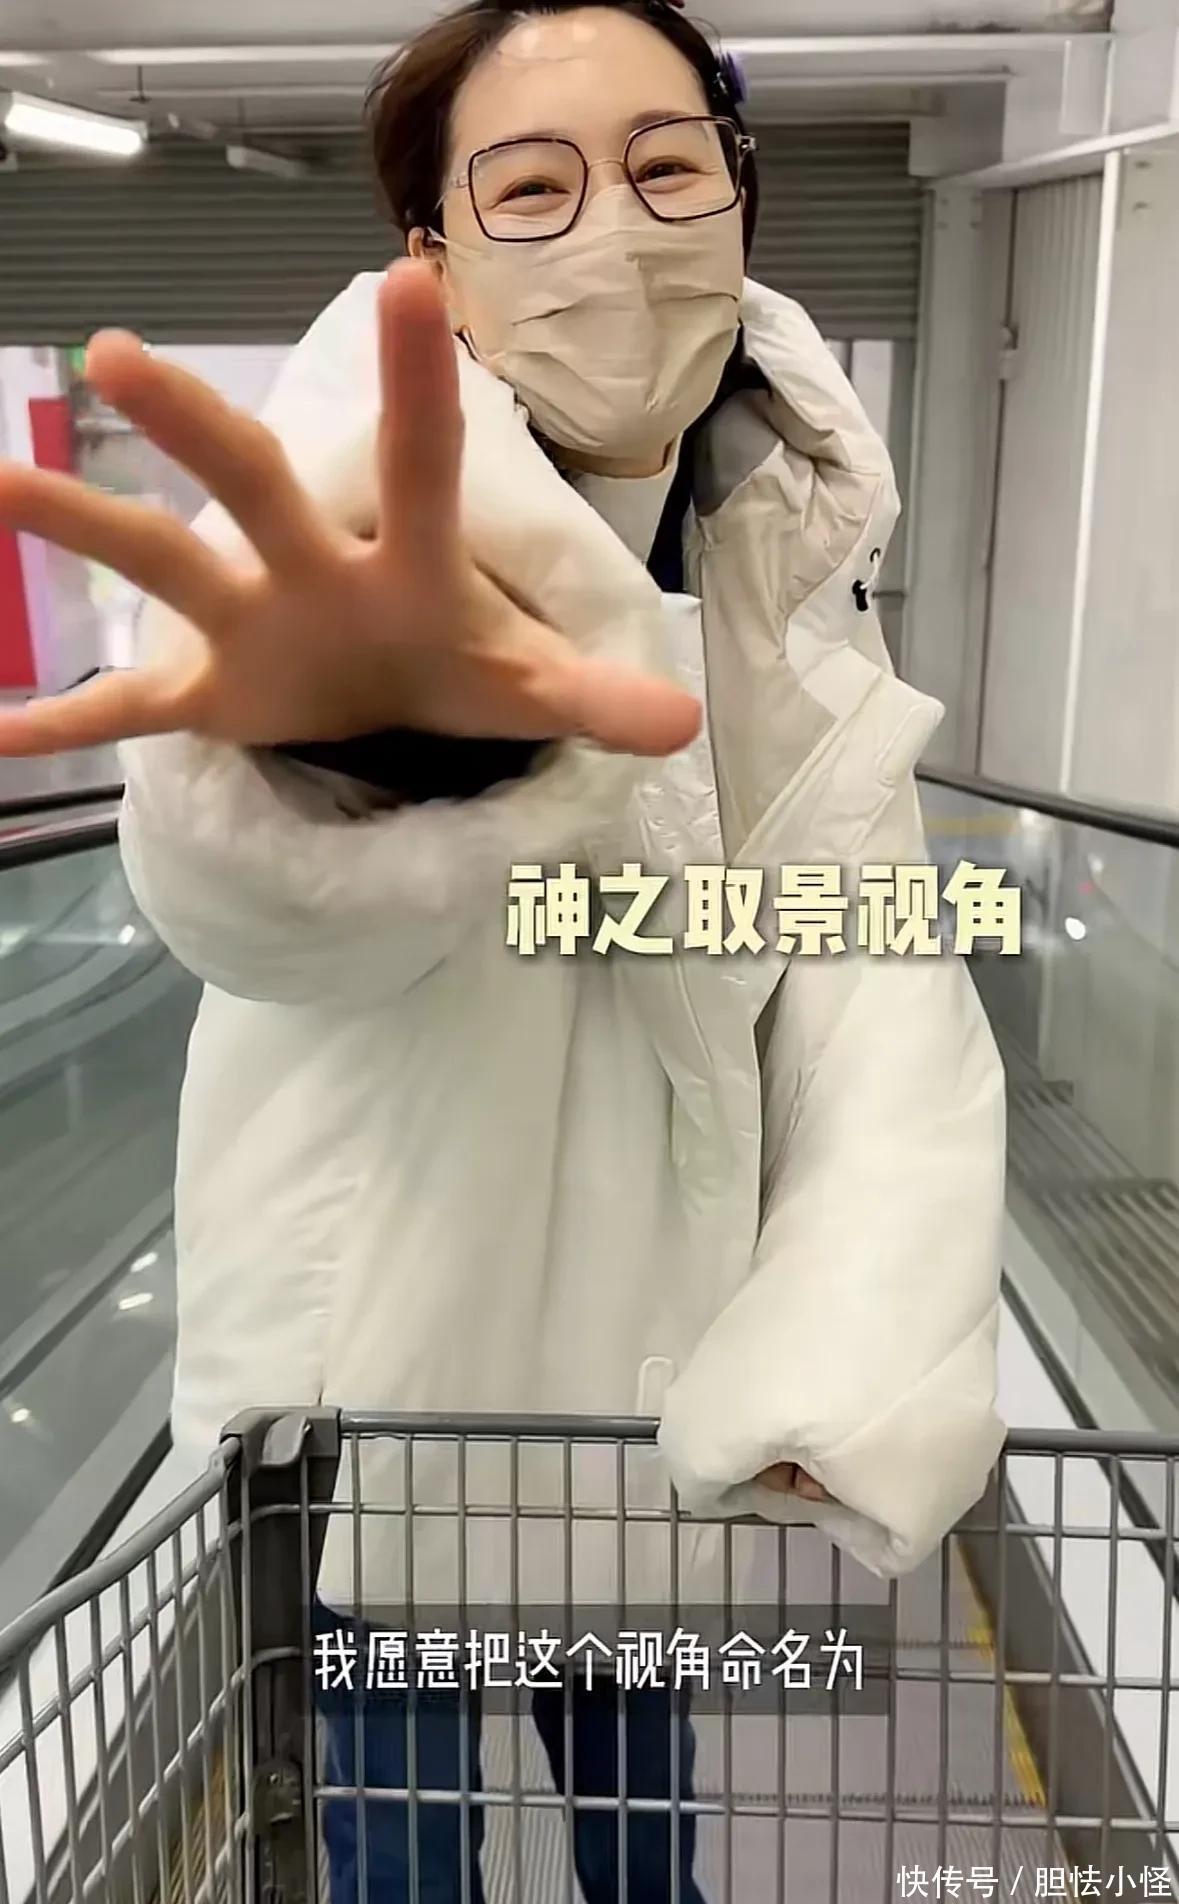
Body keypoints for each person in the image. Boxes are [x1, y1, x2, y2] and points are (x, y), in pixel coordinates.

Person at [0, 2, 1008, 1898]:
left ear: (742, 194)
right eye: (531, 189)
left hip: (637, 1381)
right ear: (435, 256)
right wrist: (366, 754)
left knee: (648, 1838)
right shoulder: (349, 508)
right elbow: (252, 924)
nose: (614, 232)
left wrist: (844, 1335)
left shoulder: (780, 549)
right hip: (384, 1396)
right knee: (402, 1852)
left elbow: (867, 968)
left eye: (666, 167)